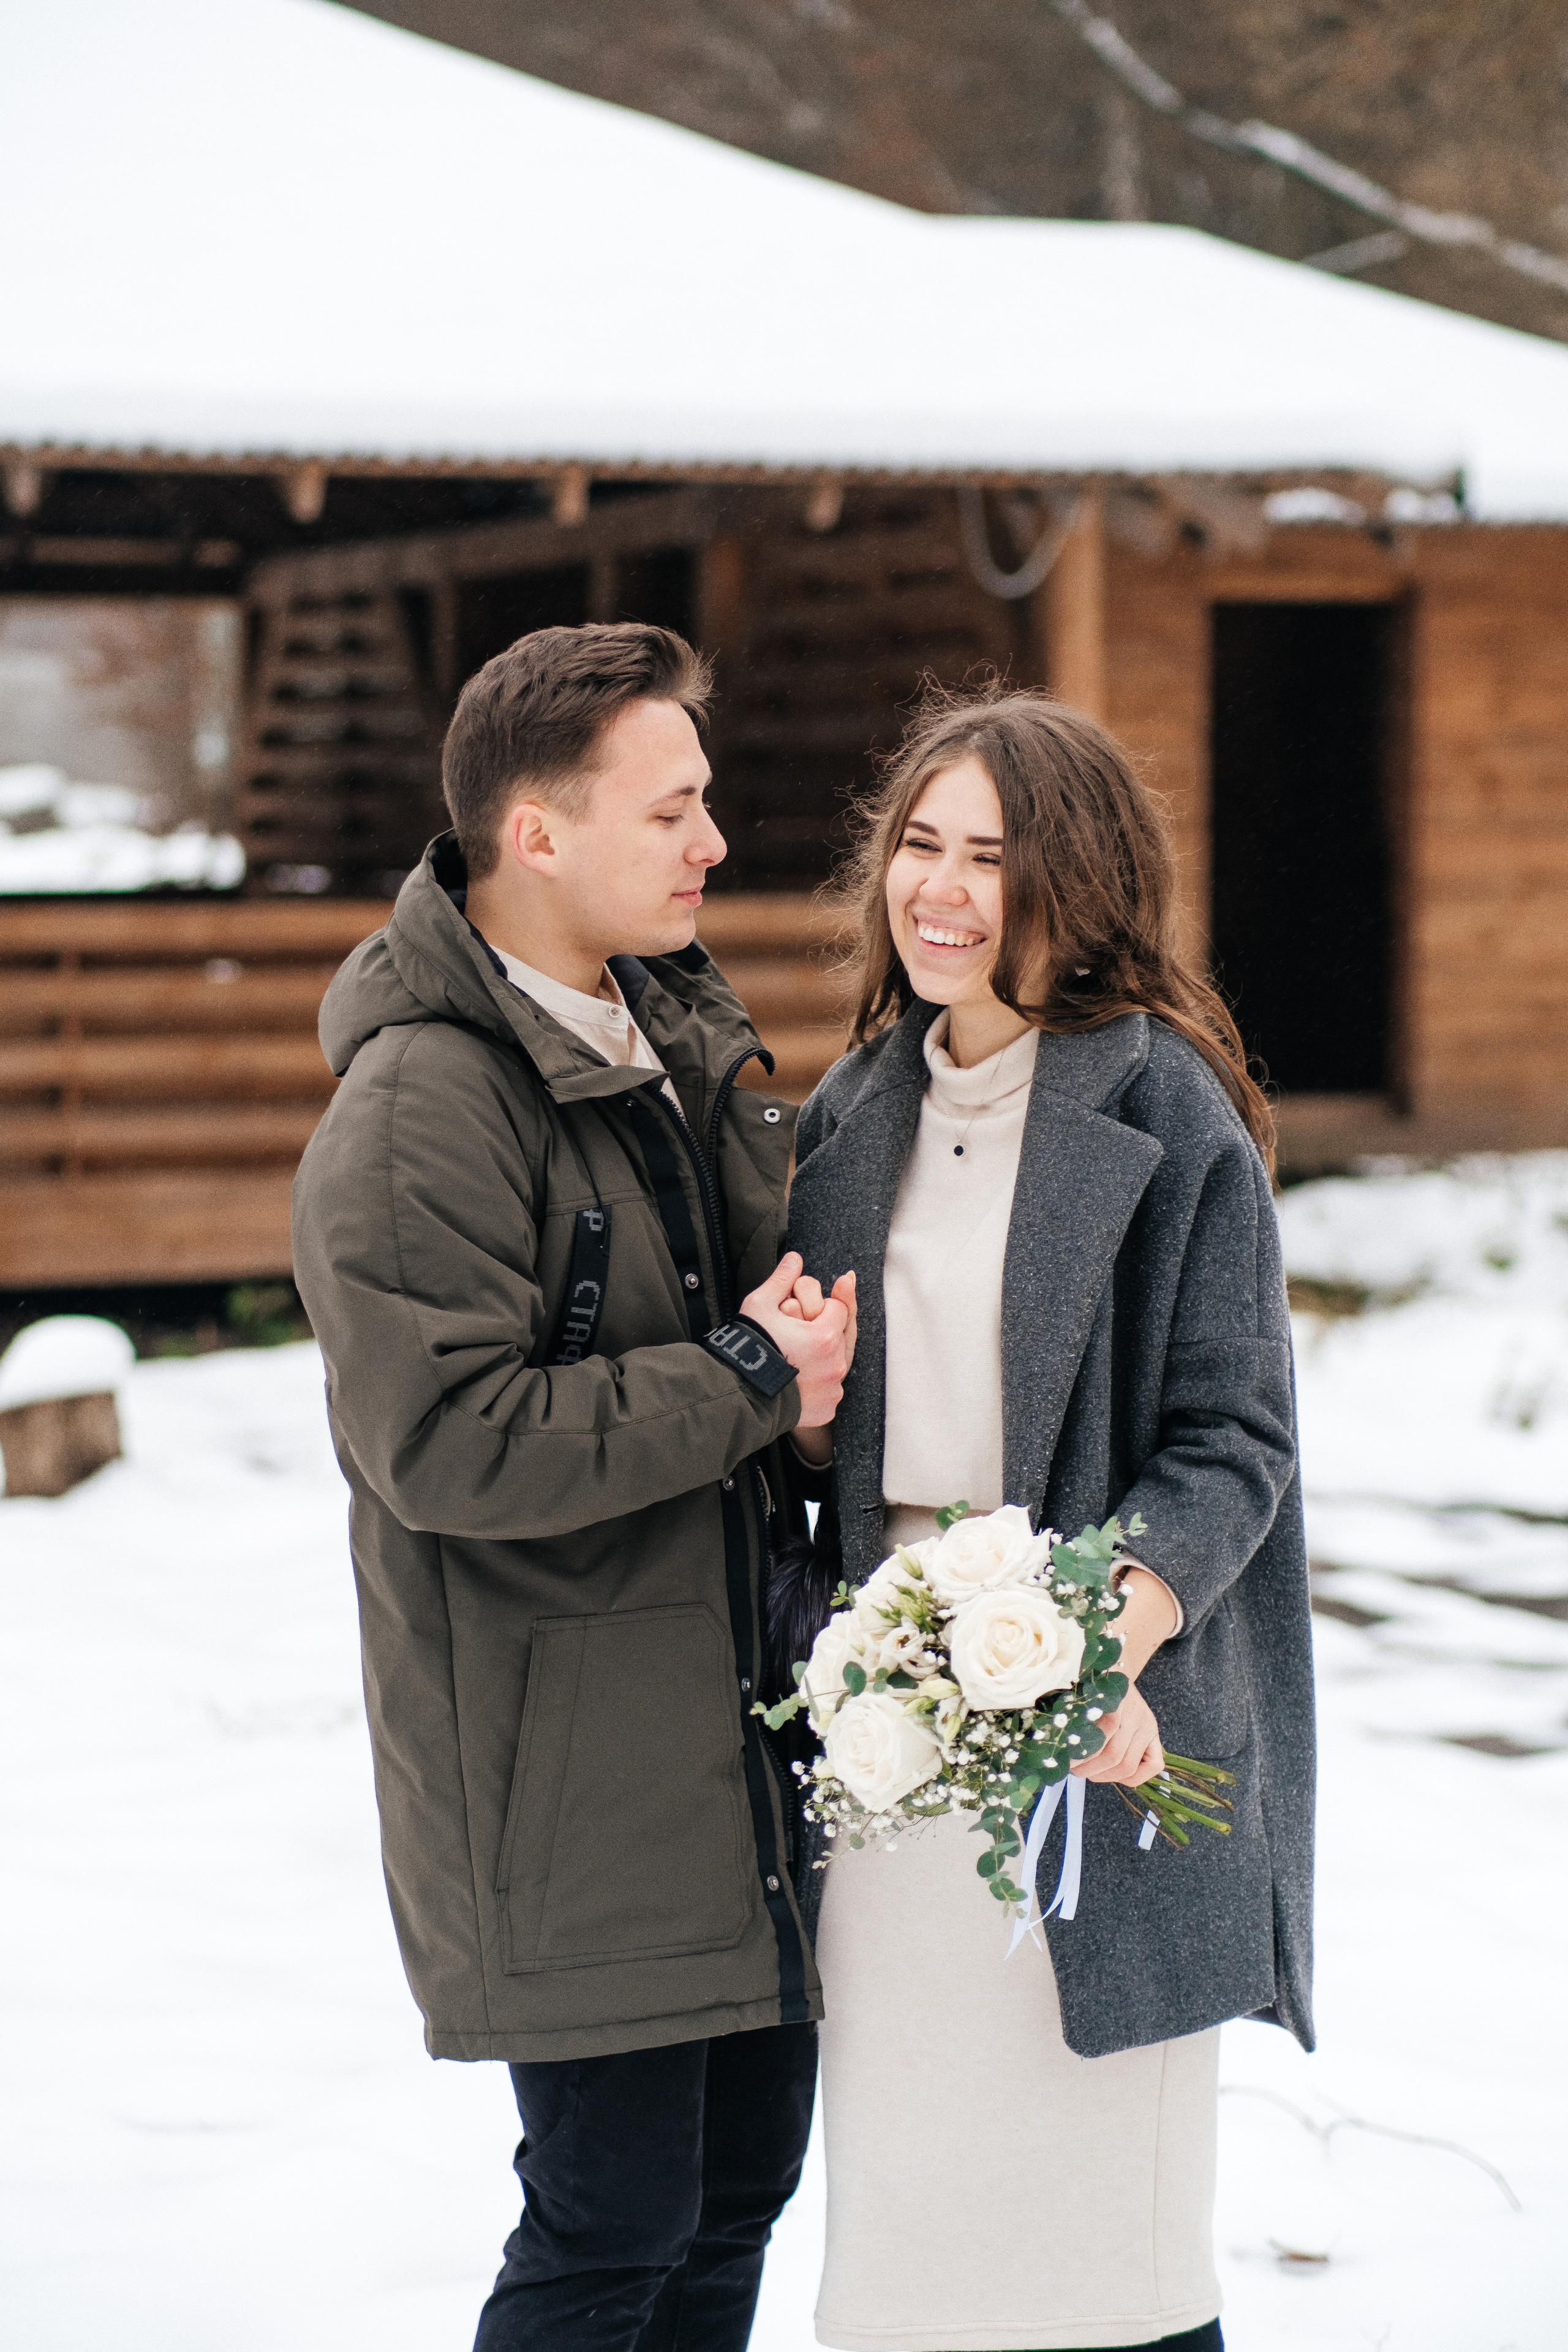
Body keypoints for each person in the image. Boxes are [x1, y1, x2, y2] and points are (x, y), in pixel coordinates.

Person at [291, 622, 856, 2352]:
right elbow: (447, 1440)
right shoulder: (423, 1105)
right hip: (569, 1783)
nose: (714, 843)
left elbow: (747, 1336)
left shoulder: (666, 1035)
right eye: (671, 811)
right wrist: (749, 1379)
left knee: (733, 2198)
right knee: (613, 2227)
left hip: (729, 1739)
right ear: (535, 835)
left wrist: (805, 1407)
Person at [783, 685, 1314, 2352]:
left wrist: (1093, 1648)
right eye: (920, 845)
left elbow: (1232, 1442)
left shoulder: (1170, 1113)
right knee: (908, 2255)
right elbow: (842, 1451)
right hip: (890, 1740)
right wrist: (801, 1415)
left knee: (1105, 2265)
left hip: (1102, 1731)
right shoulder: (852, 1111)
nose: (940, 890)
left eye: (991, 858)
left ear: (1076, 886)